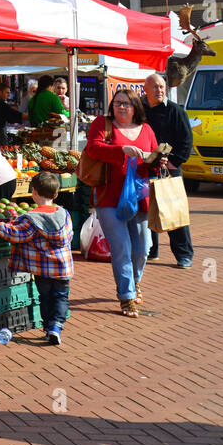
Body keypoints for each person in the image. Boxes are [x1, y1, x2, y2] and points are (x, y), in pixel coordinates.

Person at [84, 88, 159, 318]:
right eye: (117, 103)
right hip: (109, 196)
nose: (121, 107)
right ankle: (126, 297)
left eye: (126, 103)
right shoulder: (102, 124)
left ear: (135, 106)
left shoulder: (146, 129)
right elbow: (93, 149)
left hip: (140, 197)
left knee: (142, 249)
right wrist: (122, 150)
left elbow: (153, 158)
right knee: (121, 249)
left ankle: (134, 283)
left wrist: (157, 159)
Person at [0, 171, 73, 345]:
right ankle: (56, 326)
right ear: (56, 194)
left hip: (43, 269)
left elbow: (17, 234)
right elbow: (69, 235)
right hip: (62, 268)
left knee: (45, 297)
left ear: (34, 192)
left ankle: (48, 327)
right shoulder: (65, 214)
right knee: (61, 297)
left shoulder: (31, 218)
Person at [143, 72, 194, 268]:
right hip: (146, 167)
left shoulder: (175, 110)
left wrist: (175, 162)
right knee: (148, 211)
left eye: (162, 86)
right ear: (145, 89)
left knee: (174, 211)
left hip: (169, 168)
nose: (159, 90)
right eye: (155, 87)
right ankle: (151, 250)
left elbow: (186, 140)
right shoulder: (140, 109)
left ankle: (184, 254)